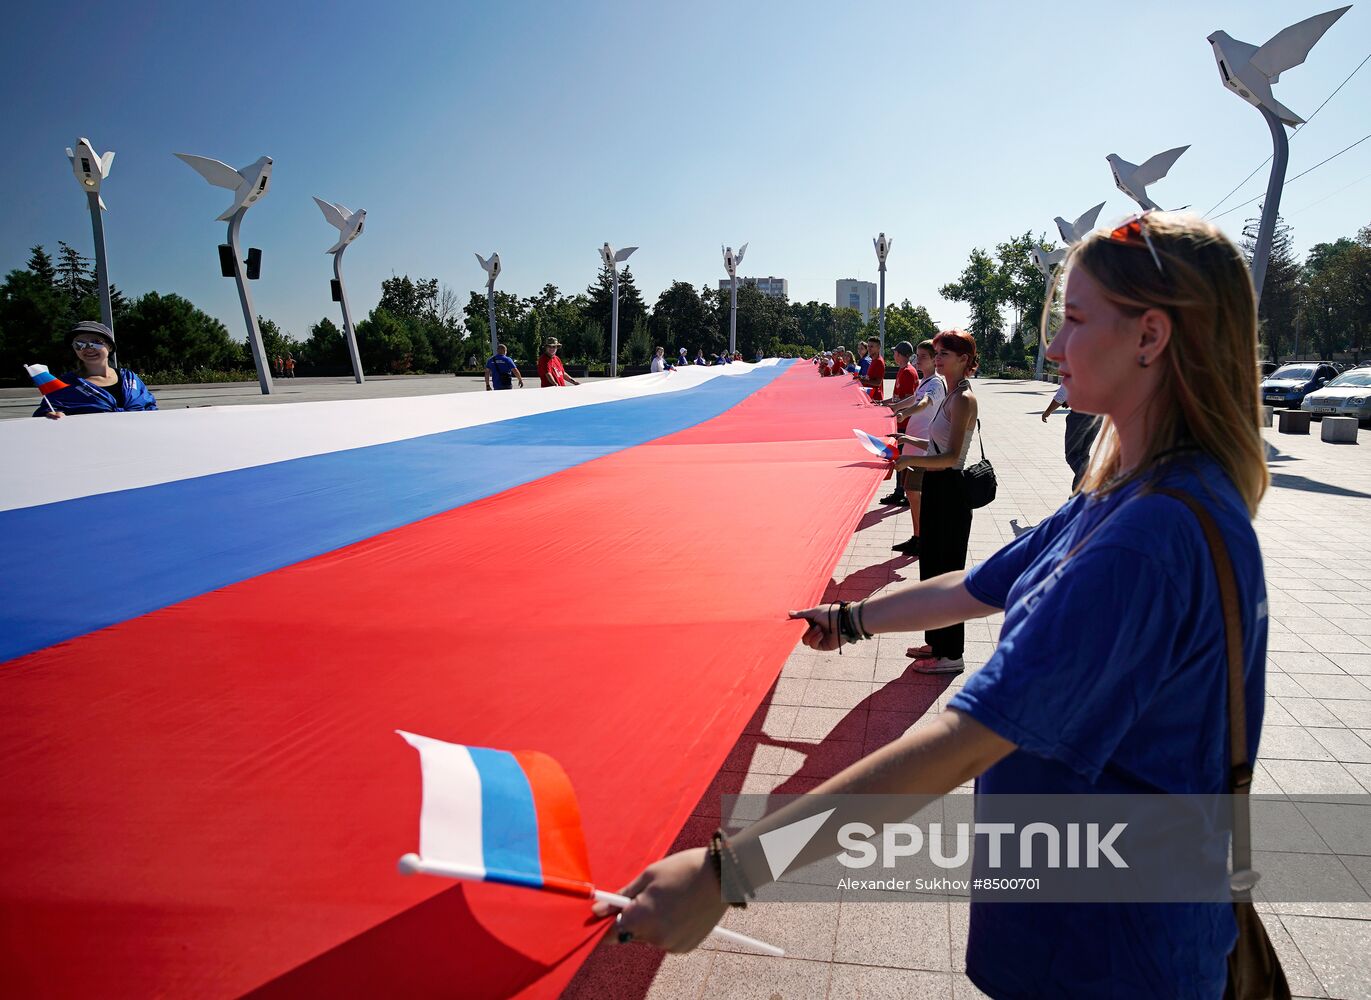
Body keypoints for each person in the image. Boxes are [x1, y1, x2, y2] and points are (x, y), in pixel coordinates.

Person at [595, 213, 1271, 999]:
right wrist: (851, 621)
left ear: (1150, 337)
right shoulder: (1132, 495)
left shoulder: (1145, 538)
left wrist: (728, 872)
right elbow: (977, 586)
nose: (1051, 348)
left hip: (1110, 951)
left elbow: (959, 743)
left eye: (1074, 322)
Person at [887, 339, 947, 552]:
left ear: (934, 359)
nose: (918, 360)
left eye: (923, 357)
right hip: (915, 445)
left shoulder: (937, 383)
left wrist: (904, 413)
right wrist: (891, 405)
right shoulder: (926, 381)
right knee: (912, 492)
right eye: (917, 356)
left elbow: (923, 403)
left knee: (914, 492)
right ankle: (919, 536)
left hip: (924, 447)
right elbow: (914, 398)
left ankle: (922, 538)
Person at [34, 321, 158, 419]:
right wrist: (49, 417)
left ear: (109, 346)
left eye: (95, 342)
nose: (88, 349)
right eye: (79, 344)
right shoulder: (63, 385)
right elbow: (43, 416)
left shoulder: (130, 378)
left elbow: (151, 409)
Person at [1042, 383, 1102, 491]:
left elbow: (1061, 395)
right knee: (1083, 455)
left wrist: (1047, 412)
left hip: (1080, 416)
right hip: (1098, 415)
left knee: (1072, 455)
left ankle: (1089, 480)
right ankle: (1078, 494)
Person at [860, 336, 886, 401]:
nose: (869, 348)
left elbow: (878, 382)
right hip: (870, 396)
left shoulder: (879, 361)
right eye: (868, 346)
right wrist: (861, 377)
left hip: (875, 398)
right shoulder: (873, 360)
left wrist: (862, 380)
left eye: (871, 346)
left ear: (878, 348)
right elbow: (870, 377)